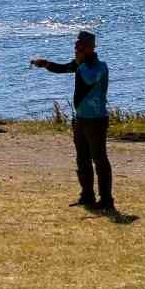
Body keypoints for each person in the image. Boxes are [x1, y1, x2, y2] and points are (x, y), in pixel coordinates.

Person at [32, 31, 113, 211]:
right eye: (76, 46)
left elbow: (89, 79)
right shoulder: (81, 65)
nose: (76, 49)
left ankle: (106, 200)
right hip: (80, 119)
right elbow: (63, 68)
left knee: (99, 159)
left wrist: (79, 63)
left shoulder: (99, 67)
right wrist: (45, 64)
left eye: (79, 46)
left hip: (96, 120)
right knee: (82, 159)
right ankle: (87, 196)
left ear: (89, 48)